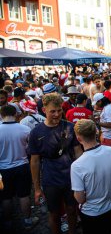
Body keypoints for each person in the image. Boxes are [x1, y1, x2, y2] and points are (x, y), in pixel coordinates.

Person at [29, 93, 83, 234]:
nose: (57, 114)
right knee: (54, 214)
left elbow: (78, 152)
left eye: (59, 110)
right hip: (50, 179)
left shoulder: (70, 127)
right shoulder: (36, 132)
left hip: (70, 177)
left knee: (72, 209)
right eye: (53, 111)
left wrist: (84, 175)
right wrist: (37, 188)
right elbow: (34, 161)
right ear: (44, 110)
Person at [71, 119, 111, 234]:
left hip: (91, 212)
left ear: (79, 139)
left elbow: (80, 198)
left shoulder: (77, 165)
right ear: (97, 133)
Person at [0, 105, 39, 231]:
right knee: (24, 195)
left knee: (6, 197)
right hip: (22, 166)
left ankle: (8, 223)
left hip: (3, 169)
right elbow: (30, 149)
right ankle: (28, 221)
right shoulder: (24, 129)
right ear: (16, 114)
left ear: (2, 115)